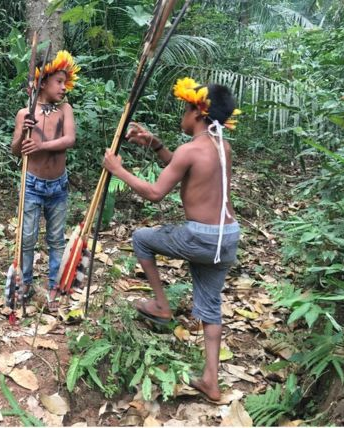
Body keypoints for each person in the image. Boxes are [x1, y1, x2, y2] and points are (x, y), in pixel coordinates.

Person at [103, 77, 242, 402]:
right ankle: (211, 380)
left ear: (197, 110)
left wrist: (118, 170)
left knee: (142, 238)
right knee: (209, 307)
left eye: (185, 107)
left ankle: (162, 306)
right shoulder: (223, 146)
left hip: (202, 237)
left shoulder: (190, 149)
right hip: (227, 237)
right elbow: (188, 169)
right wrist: (155, 145)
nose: (182, 113)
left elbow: (154, 193)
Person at [11, 50, 79, 312]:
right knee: (27, 237)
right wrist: (23, 137)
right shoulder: (25, 113)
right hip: (32, 183)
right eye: (58, 82)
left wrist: (41, 144)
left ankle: (55, 285)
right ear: (42, 82)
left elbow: (69, 140)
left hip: (57, 184)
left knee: (55, 238)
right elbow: (16, 150)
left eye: (65, 82)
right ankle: (25, 284)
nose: (63, 87)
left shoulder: (64, 110)